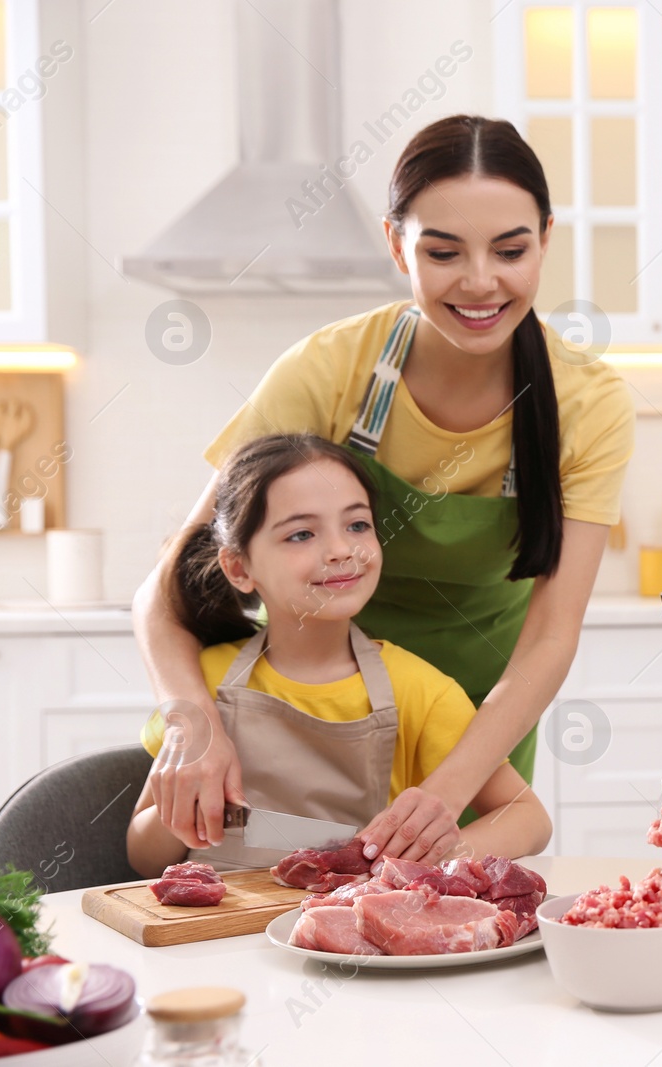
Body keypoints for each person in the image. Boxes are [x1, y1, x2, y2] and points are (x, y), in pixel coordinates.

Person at [132, 115, 632, 865]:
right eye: (442, 251)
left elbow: (551, 635)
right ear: (397, 244)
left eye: (510, 249)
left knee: (433, 916)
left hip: (470, 724)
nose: (479, 281)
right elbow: (171, 584)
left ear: (547, 239)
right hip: (305, 693)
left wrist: (450, 787)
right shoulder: (330, 370)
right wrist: (191, 722)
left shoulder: (586, 405)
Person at [127, 435, 551, 877]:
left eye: (357, 525)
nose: (341, 550)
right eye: (302, 534)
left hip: (352, 941)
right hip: (210, 939)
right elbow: (141, 856)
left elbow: (530, 820)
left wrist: (441, 854)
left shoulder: (421, 691)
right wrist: (184, 811)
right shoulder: (203, 682)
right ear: (239, 568)